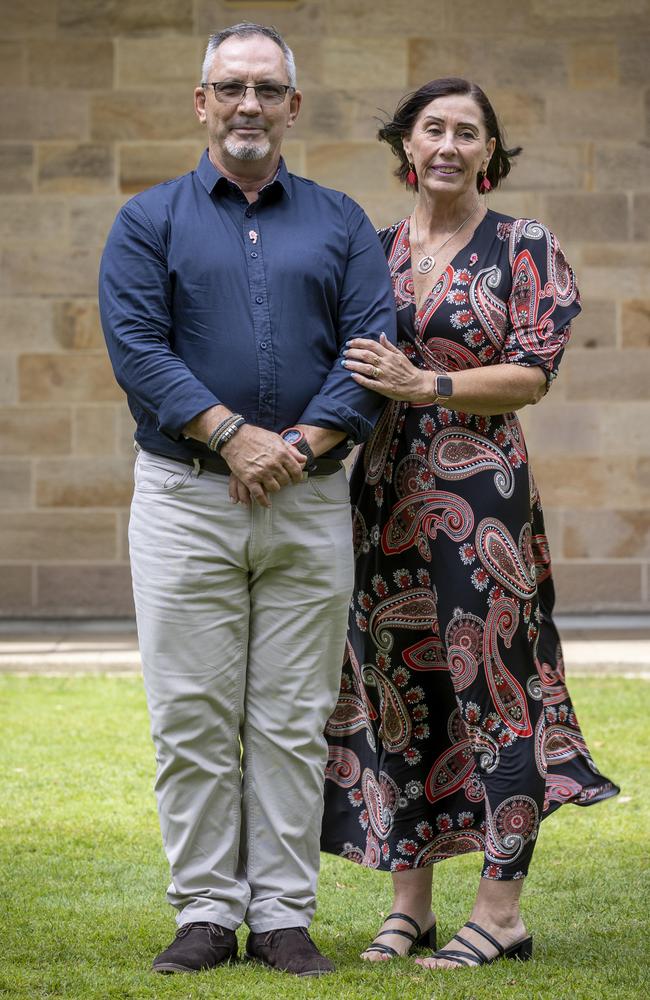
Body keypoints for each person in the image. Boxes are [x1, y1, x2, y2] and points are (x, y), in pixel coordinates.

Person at [99, 23, 396, 978]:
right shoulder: (149, 220)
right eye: (230, 87)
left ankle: (280, 916)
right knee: (189, 713)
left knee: (291, 716)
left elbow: (369, 346)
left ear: (293, 108)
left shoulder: (342, 222)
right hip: (187, 500)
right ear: (202, 102)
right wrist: (231, 434)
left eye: (267, 89)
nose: (249, 105)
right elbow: (137, 348)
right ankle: (204, 911)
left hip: (308, 501)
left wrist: (299, 444)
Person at [321, 77, 619, 971]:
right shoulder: (366, 250)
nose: (448, 144)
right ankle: (407, 905)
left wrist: (429, 384)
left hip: (482, 498)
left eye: (468, 132)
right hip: (382, 501)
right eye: (432, 129)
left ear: (490, 154)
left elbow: (532, 372)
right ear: (405, 148)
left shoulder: (524, 246)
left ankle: (500, 914)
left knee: (497, 690)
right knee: (399, 697)